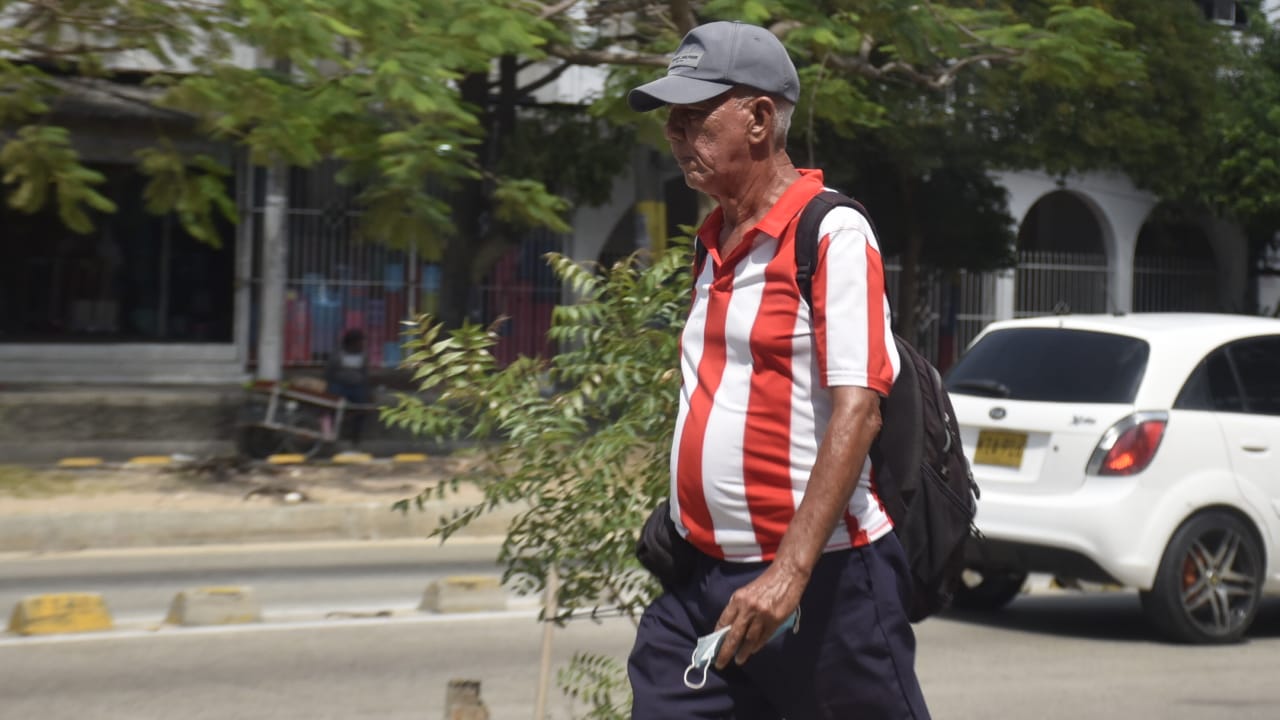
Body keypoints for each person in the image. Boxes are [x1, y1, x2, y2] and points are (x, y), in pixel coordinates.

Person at [626, 21, 930, 719]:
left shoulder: (830, 234)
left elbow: (861, 410)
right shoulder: (714, 242)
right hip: (704, 580)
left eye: (695, 116)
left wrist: (788, 574)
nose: (675, 133)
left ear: (759, 119)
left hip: (826, 586)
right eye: (672, 118)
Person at [324, 328, 372, 448]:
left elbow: (365, 374)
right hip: (339, 386)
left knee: (362, 407)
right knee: (333, 407)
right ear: (351, 342)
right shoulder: (338, 354)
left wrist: (368, 391)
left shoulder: (363, 355)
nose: (362, 344)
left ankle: (356, 436)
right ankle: (332, 434)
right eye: (359, 342)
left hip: (357, 386)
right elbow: (330, 372)